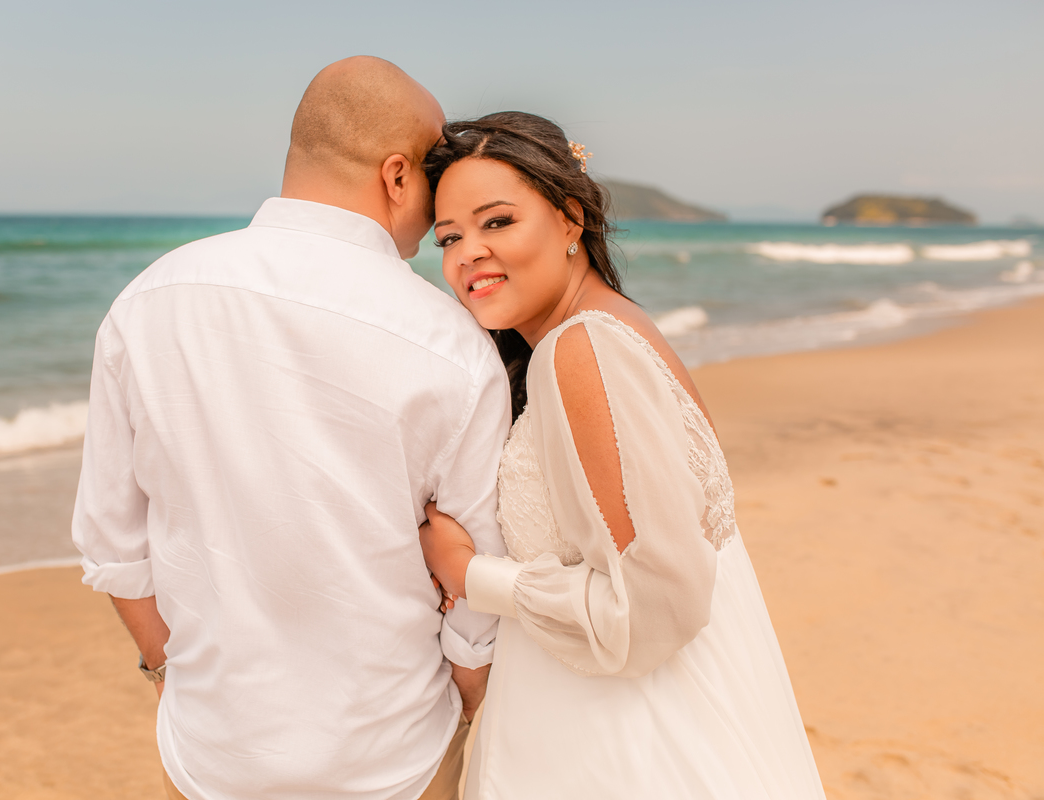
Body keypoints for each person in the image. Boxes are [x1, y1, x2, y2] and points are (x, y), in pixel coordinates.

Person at [71, 57, 511, 800]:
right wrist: (473, 709)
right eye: (435, 169)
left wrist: (167, 673)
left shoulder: (149, 301)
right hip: (394, 756)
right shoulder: (454, 345)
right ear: (398, 175)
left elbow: (112, 546)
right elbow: (473, 599)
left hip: (212, 754)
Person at [418, 112, 827, 799]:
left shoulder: (583, 351)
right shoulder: (610, 328)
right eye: (449, 237)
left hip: (631, 742)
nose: (468, 254)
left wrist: (470, 572)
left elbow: (651, 606)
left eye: (497, 223)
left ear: (571, 220)